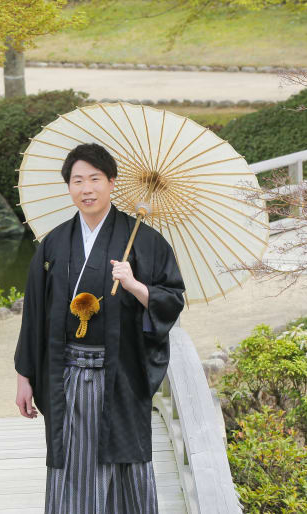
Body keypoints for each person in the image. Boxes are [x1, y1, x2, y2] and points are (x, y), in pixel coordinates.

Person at [14, 143, 185, 513]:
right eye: (77, 180)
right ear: (68, 187)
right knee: (71, 463)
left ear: (111, 182)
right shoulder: (54, 244)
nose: (86, 189)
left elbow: (172, 299)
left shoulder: (145, 242)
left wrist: (136, 286)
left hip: (120, 374)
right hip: (68, 374)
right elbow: (35, 315)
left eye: (95, 179)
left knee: (124, 462)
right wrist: (25, 376)